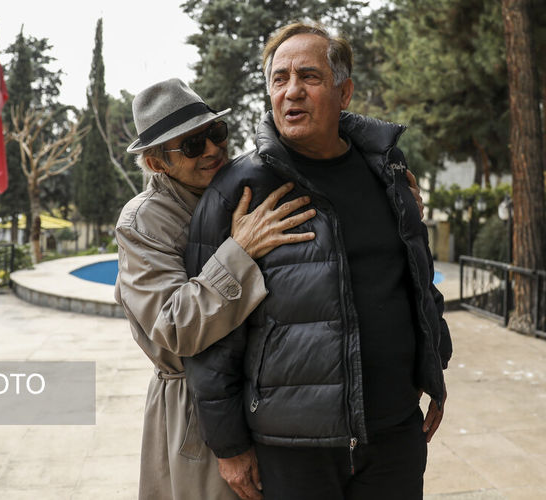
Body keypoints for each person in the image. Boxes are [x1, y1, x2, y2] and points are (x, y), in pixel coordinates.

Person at [184, 22, 452, 500]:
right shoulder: (237, 190)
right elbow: (211, 335)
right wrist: (229, 445)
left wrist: (434, 369)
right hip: (291, 447)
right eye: (279, 79)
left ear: (344, 92)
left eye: (309, 76)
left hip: (393, 433)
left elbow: (418, 280)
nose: (292, 91)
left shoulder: (388, 173)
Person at [114, 78, 318, 500]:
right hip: (194, 411)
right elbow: (176, 327)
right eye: (191, 145)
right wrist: (239, 251)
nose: (211, 149)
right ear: (155, 163)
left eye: (216, 133)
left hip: (264, 396)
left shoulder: (242, 188)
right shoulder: (144, 222)